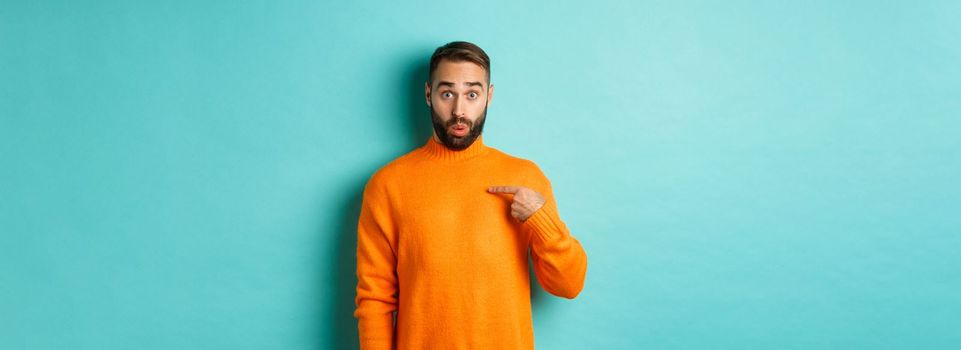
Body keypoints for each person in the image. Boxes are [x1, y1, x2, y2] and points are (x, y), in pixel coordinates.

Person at [353, 41, 588, 349]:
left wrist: (541, 221)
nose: (459, 111)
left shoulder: (525, 178)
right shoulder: (388, 185)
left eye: (472, 94)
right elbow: (375, 300)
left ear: (488, 97)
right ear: (428, 94)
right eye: (447, 93)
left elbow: (569, 285)